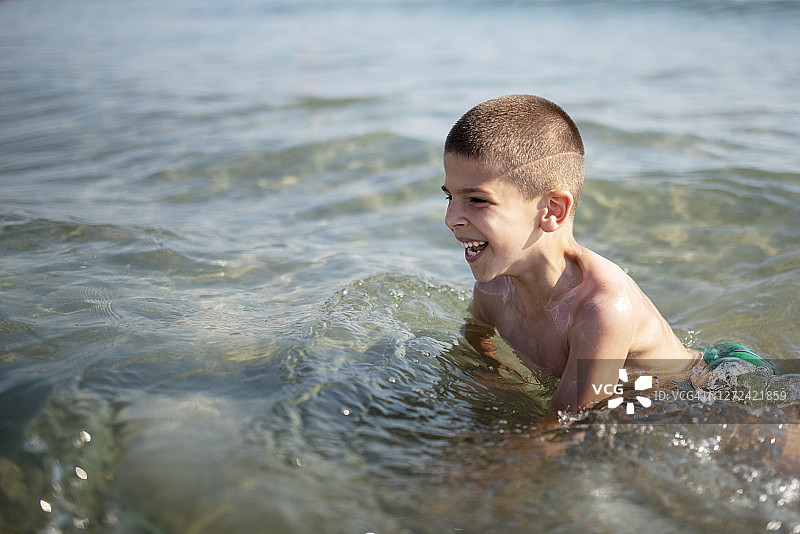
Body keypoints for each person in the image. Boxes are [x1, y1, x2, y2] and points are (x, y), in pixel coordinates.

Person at [441, 94, 774, 418]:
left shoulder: (600, 309)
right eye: (449, 197)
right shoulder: (492, 291)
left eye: (477, 200)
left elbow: (563, 428)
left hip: (702, 389)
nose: (451, 217)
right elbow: (476, 347)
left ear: (552, 211)